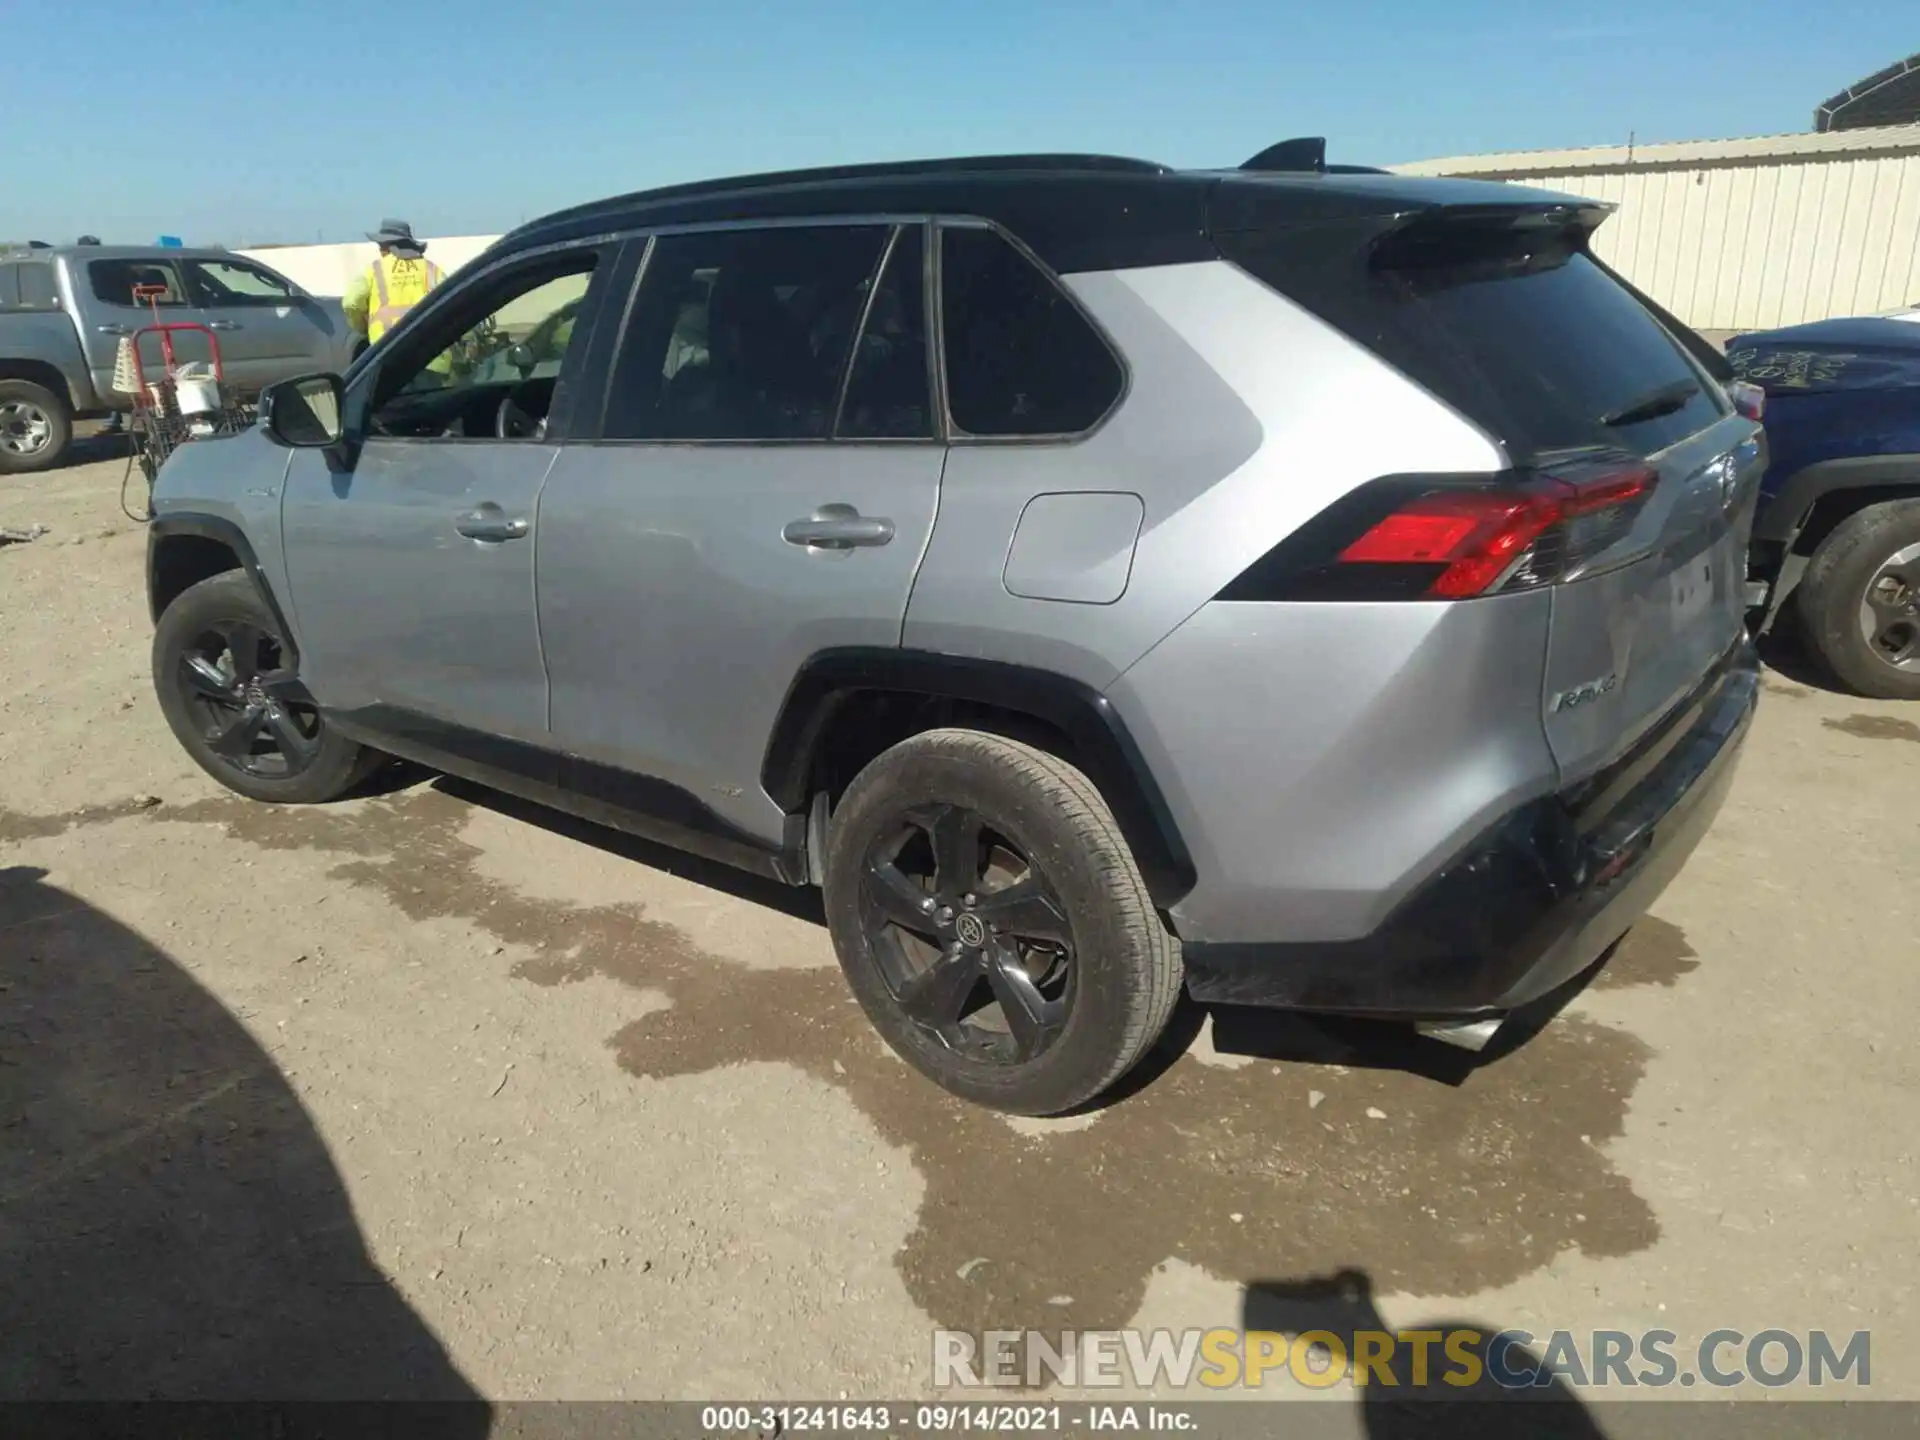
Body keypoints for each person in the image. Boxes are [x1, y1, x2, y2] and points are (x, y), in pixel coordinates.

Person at [342, 220, 448, 373]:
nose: (380, 251)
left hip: (389, 360)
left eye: (381, 246)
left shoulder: (375, 270)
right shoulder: (432, 270)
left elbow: (350, 303)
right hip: (433, 362)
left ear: (388, 246)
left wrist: (363, 328)